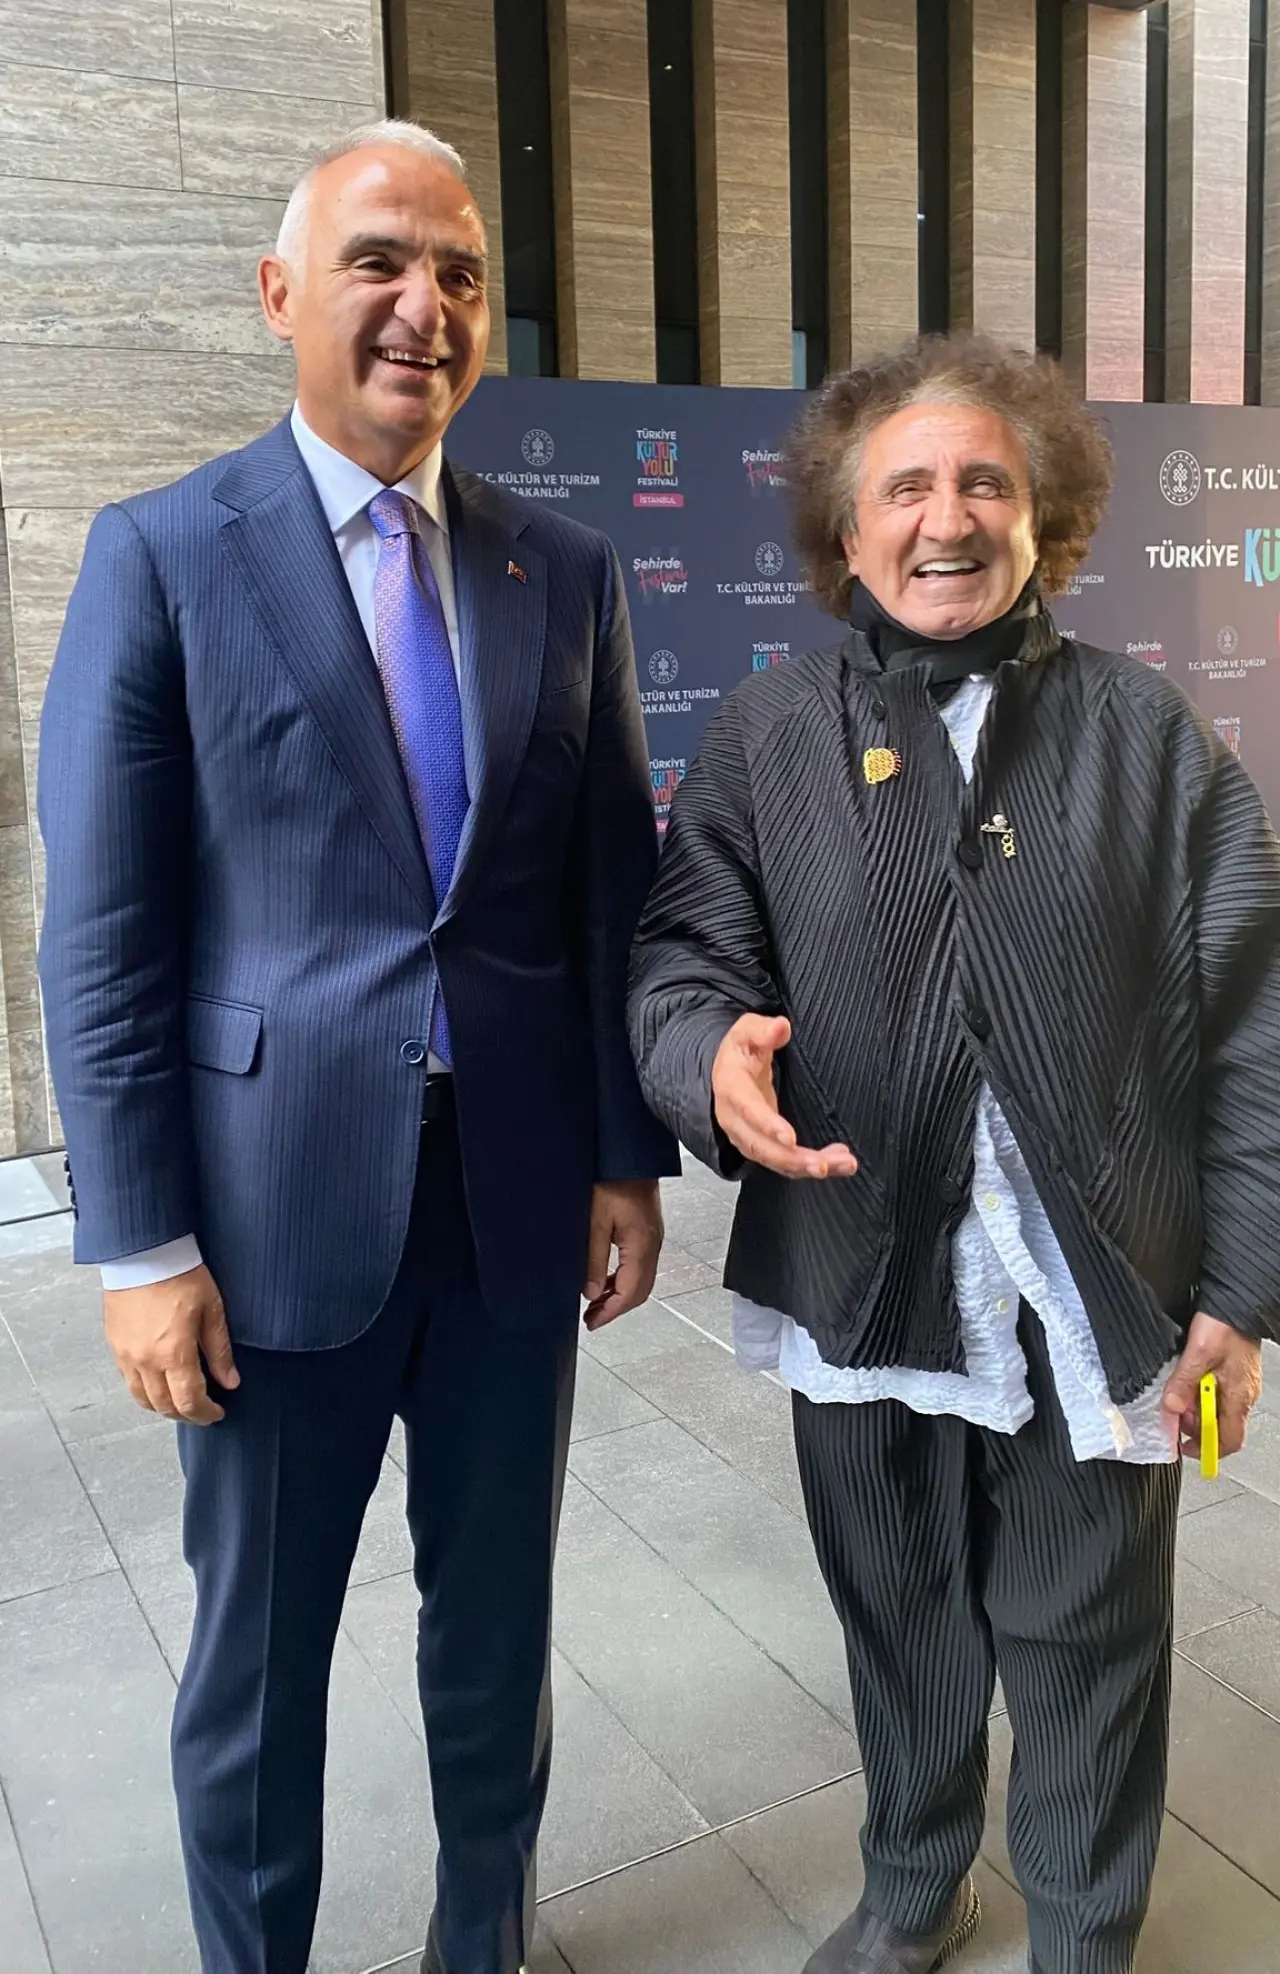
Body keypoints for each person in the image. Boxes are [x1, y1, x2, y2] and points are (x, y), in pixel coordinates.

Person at [38, 118, 678, 1974]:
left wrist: (623, 1151)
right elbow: (104, 938)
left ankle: (486, 1945)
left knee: (497, 1639)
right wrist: (140, 1246)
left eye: (459, 273)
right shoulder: (163, 554)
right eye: (380, 263)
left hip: (510, 1214)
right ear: (280, 294)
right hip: (267, 1232)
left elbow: (607, 889)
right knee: (258, 1671)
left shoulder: (565, 569)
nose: (424, 307)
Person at [627, 333, 1279, 1974]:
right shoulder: (767, 733)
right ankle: (915, 1888)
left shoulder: (1152, 736)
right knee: (901, 1619)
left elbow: (1257, 1035)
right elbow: (683, 956)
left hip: (1104, 1293)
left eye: (986, 480)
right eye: (905, 485)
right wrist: (708, 1058)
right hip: (861, 1275)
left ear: (1044, 515)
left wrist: (1242, 1296)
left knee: (1092, 1636)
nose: (947, 516)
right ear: (845, 532)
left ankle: (1084, 1927)